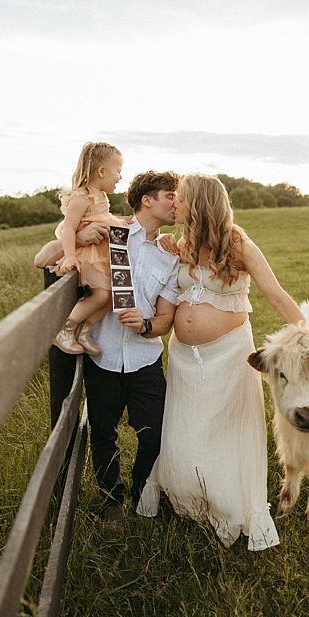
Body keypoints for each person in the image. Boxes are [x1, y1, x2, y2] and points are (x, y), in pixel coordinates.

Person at [138, 173, 306, 551]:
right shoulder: (182, 242)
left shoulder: (238, 242)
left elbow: (275, 294)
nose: (174, 204)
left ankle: (227, 502)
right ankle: (190, 496)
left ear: (197, 203)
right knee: (186, 427)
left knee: (225, 429)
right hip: (182, 357)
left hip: (229, 355)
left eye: (179, 198)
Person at [80, 170, 182, 530]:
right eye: (171, 195)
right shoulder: (113, 233)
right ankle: (112, 502)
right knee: (103, 432)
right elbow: (63, 247)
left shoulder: (173, 256)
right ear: (147, 200)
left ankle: (142, 493)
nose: (177, 202)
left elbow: (167, 317)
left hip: (145, 358)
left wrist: (146, 324)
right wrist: (79, 233)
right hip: (103, 355)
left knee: (153, 433)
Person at [50, 142, 131, 356]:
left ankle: (84, 330)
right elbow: (68, 228)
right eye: (119, 171)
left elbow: (105, 219)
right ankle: (65, 327)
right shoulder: (81, 197)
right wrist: (69, 256)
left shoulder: (100, 196)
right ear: (102, 171)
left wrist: (126, 221)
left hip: (103, 255)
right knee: (102, 296)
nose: (120, 177)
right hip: (90, 256)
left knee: (114, 293)